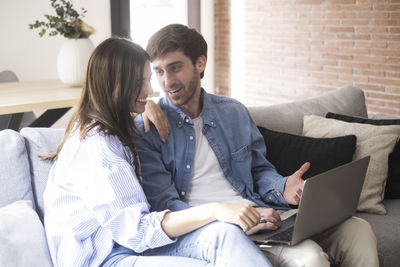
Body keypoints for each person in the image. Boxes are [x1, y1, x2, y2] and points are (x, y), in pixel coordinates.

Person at [135, 24, 379, 267]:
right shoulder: (149, 128)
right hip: (214, 228)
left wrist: (283, 187)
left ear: (200, 64)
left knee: (357, 230)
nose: (167, 81)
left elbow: (258, 171)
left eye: (175, 68)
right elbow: (165, 206)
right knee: (310, 257)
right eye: (159, 72)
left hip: (260, 212)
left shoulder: (233, 112)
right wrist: (232, 216)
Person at [42, 37, 274, 267]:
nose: (151, 89)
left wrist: (145, 106)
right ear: (115, 84)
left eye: (147, 79)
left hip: (128, 246)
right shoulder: (98, 148)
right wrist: (215, 209)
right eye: (140, 82)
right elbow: (139, 231)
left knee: (226, 235)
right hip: (107, 257)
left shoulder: (110, 129)